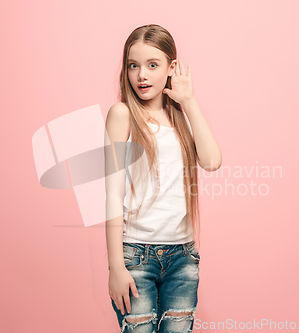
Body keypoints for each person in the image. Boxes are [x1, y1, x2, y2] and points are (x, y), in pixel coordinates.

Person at [104, 24, 222, 333]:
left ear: (171, 68)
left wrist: (189, 101)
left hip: (182, 257)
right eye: (133, 65)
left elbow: (212, 162)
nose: (141, 75)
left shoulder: (181, 118)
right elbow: (112, 195)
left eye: (152, 65)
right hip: (136, 256)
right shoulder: (123, 115)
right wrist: (116, 266)